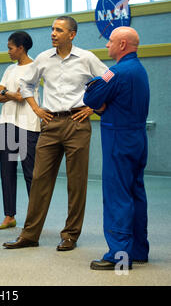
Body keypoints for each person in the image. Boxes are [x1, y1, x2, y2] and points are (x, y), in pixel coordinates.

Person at [3, 16, 108, 250]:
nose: (53, 33)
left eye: (59, 30)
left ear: (71, 35)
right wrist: (36, 108)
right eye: (52, 29)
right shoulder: (43, 58)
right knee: (39, 180)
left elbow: (109, 79)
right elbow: (27, 84)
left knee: (76, 182)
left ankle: (70, 235)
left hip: (77, 124)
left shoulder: (86, 58)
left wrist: (93, 108)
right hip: (50, 124)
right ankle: (29, 235)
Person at [84, 26, 150, 270]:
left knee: (117, 196)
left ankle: (119, 255)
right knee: (135, 193)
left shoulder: (117, 72)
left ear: (122, 44)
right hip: (137, 138)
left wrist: (100, 102)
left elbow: (90, 99)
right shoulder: (140, 70)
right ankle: (139, 250)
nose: (106, 45)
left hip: (118, 140)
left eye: (109, 41)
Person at [0, 31, 40, 230]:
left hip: (28, 125)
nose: (9, 52)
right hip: (7, 124)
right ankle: (9, 215)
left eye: (10, 48)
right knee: (7, 172)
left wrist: (7, 93)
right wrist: (11, 94)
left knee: (31, 173)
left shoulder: (36, 67)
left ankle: (34, 217)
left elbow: (23, 97)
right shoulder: (9, 70)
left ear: (21, 48)